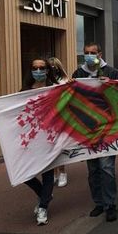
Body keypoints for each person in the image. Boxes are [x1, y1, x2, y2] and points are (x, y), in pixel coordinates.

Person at [0, 59, 58, 225]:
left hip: (49, 138)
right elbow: (14, 112)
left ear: (47, 70)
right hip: (31, 138)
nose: (39, 71)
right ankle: (44, 195)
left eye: (42, 68)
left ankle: (43, 207)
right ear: (30, 70)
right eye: (35, 68)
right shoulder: (24, 92)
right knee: (25, 172)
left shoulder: (55, 90)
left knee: (48, 171)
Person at [72, 42, 118, 222]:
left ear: (100, 54)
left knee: (107, 168)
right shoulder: (78, 74)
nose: (89, 55)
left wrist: (112, 85)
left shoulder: (112, 72)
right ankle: (99, 203)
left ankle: (110, 204)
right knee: (93, 170)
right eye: (86, 53)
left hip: (108, 128)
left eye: (93, 52)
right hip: (88, 129)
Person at [48, 57, 70, 187]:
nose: (52, 69)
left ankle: (62, 172)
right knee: (50, 146)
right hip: (49, 118)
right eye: (50, 67)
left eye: (54, 66)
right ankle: (55, 173)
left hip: (62, 117)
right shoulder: (46, 82)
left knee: (60, 146)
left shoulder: (65, 81)